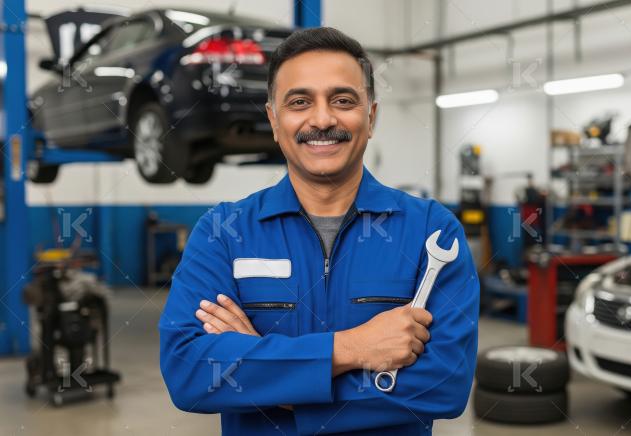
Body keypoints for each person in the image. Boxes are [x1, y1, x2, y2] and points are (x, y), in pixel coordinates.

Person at [159, 26, 479, 435]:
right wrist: (353, 349)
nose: (323, 119)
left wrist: (272, 377)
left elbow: (444, 387)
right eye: (300, 102)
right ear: (274, 120)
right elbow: (189, 372)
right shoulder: (223, 232)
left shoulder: (431, 231)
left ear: (371, 116)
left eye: (343, 100)